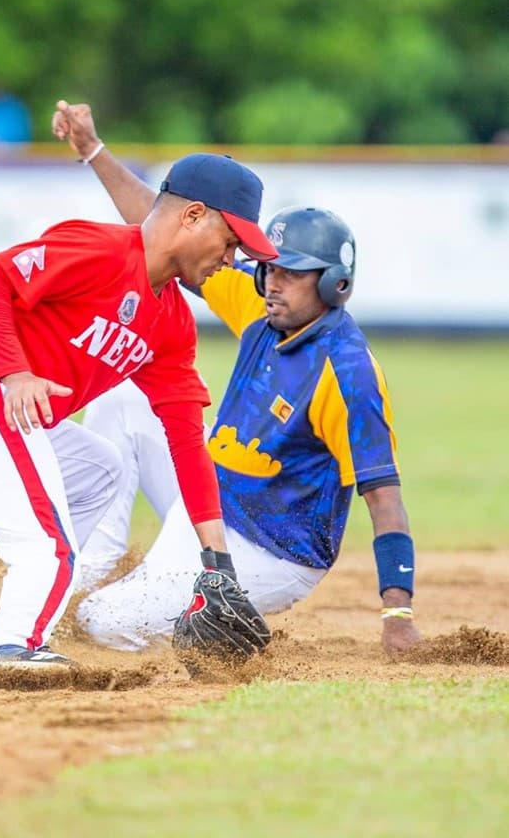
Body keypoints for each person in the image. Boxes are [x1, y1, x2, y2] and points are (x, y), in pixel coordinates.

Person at [0, 99, 277, 677]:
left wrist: (217, 558)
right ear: (193, 216)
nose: (231, 260)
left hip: (5, 416)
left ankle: (28, 612)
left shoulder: (171, 324)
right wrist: (14, 371)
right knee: (50, 548)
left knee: (100, 469)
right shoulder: (103, 250)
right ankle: (11, 649)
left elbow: (185, 441)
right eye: (230, 241)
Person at [53, 101, 422, 657]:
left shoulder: (346, 375)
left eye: (293, 273)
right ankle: (92, 567)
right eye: (271, 266)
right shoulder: (262, 304)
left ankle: (200, 623)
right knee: (127, 397)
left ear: (334, 285)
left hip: (271, 550)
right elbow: (160, 227)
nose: (273, 281)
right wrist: (93, 151)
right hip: (212, 500)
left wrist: (398, 614)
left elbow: (384, 498)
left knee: (101, 622)